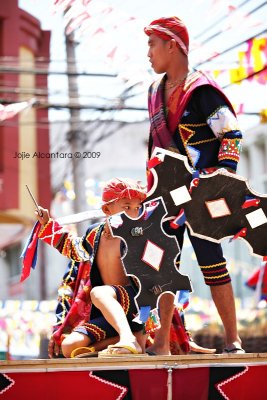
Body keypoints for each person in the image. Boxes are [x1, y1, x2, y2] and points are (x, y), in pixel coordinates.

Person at [144, 16, 244, 354]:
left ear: (172, 46)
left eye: (152, 44)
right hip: (168, 195)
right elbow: (155, 150)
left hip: (202, 194)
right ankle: (161, 343)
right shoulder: (154, 94)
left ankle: (232, 340)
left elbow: (230, 136)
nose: (148, 53)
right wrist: (151, 190)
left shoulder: (202, 91)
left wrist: (220, 181)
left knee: (212, 261)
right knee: (162, 265)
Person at [36, 178, 149, 358]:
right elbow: (74, 249)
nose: (133, 214)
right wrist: (47, 225)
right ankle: (131, 341)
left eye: (137, 208)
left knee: (99, 293)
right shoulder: (94, 233)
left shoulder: (139, 235)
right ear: (106, 210)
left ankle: (129, 337)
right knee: (68, 346)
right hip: (106, 311)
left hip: (134, 305)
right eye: (127, 207)